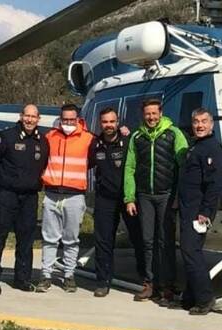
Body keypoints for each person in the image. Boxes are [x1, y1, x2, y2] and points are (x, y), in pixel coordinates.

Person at [124, 98, 188, 302]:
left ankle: (167, 285)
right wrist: (129, 198)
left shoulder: (174, 134)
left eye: (154, 113)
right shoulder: (137, 137)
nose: (151, 117)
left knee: (166, 241)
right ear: (143, 115)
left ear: (160, 113)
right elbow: (130, 168)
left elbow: (184, 165)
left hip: (167, 195)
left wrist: (180, 195)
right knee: (147, 241)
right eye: (147, 114)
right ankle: (149, 283)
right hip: (144, 196)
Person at [0, 104, 49, 295]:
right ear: (21, 116)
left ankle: (23, 278)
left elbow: (43, 166)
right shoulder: (6, 137)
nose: (29, 120)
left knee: (26, 240)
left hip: (30, 197)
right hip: (7, 195)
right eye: (26, 116)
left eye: (33, 117)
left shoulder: (42, 141)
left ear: (39, 119)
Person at [173, 108, 222, 315]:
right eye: (196, 122)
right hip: (187, 209)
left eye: (204, 122)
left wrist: (205, 211)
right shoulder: (196, 147)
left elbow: (214, 185)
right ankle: (189, 298)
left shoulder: (212, 149)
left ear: (211, 125)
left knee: (191, 252)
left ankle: (205, 298)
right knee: (188, 252)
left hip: (199, 212)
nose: (200, 125)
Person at [36, 104, 94, 293]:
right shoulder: (50, 137)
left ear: (78, 119)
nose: (68, 122)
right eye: (65, 119)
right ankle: (46, 275)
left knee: (71, 239)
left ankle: (69, 275)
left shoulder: (88, 139)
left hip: (75, 196)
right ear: (60, 119)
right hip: (52, 194)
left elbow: (97, 157)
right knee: (49, 238)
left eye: (72, 119)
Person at [88, 107, 145, 297]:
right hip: (105, 198)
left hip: (128, 198)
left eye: (112, 122)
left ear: (117, 122)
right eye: (105, 122)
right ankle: (103, 281)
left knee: (139, 238)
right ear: (100, 123)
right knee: (103, 240)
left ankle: (146, 279)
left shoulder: (128, 141)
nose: (108, 125)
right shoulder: (95, 145)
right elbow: (84, 164)